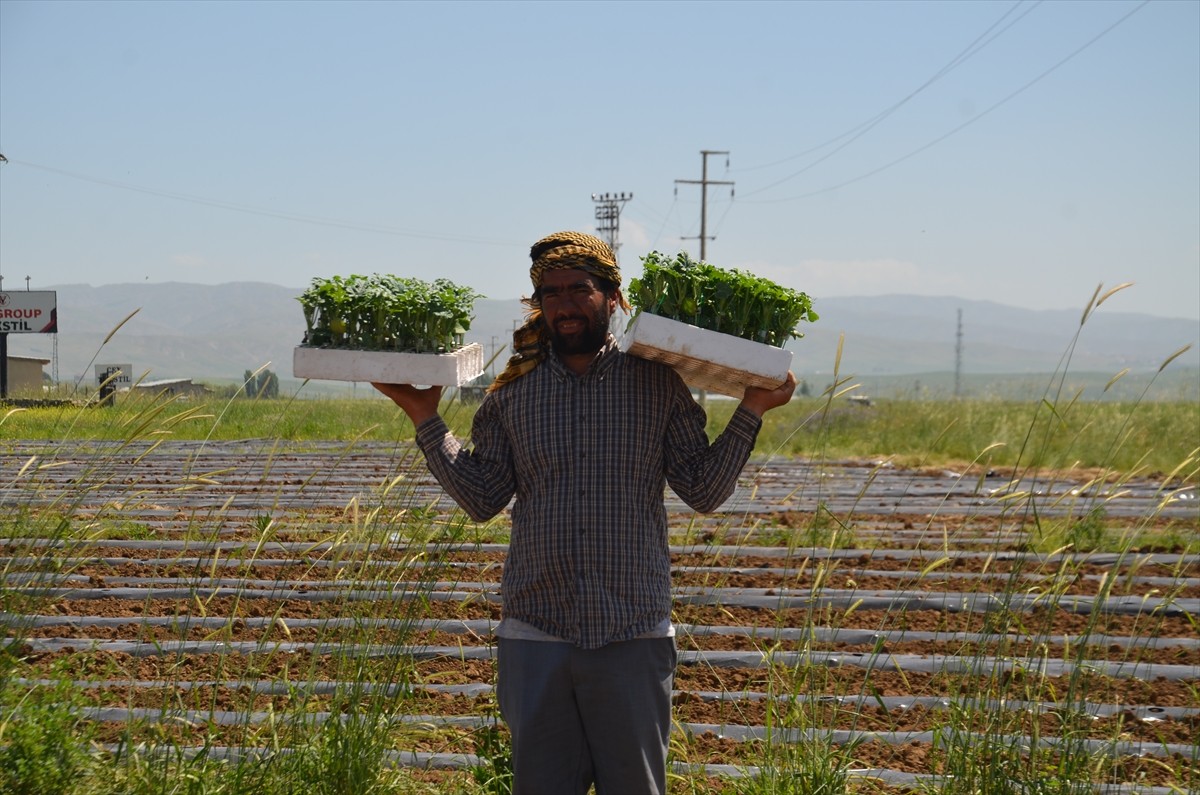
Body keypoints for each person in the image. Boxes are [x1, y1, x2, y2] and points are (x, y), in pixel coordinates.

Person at [374, 230, 796, 795]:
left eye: (580, 289)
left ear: (614, 298)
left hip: (632, 632)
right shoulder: (511, 395)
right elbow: (482, 497)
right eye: (550, 293)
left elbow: (703, 489)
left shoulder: (656, 385)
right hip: (536, 632)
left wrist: (752, 408)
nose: (565, 304)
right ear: (537, 304)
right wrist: (425, 416)